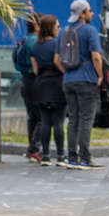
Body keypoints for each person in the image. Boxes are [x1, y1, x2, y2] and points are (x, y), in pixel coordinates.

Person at [55, 0, 104, 170]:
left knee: (73, 119)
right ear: (82, 13)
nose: (91, 13)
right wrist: (100, 75)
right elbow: (96, 56)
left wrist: (68, 73)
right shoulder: (90, 30)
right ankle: (85, 158)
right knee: (85, 119)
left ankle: (71, 157)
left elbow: (57, 59)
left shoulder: (64, 31)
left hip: (68, 80)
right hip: (86, 78)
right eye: (89, 10)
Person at [31, 14, 67, 167]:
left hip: (41, 84)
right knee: (58, 121)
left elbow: (35, 69)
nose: (59, 29)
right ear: (51, 28)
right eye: (57, 26)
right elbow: (58, 61)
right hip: (57, 83)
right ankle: (60, 155)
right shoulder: (57, 43)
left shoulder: (35, 46)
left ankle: (45, 154)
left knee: (45, 121)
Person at [17, 12, 42, 163]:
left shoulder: (25, 39)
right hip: (34, 81)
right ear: (37, 26)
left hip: (24, 81)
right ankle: (34, 148)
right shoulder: (35, 41)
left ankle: (31, 147)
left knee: (32, 116)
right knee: (41, 117)